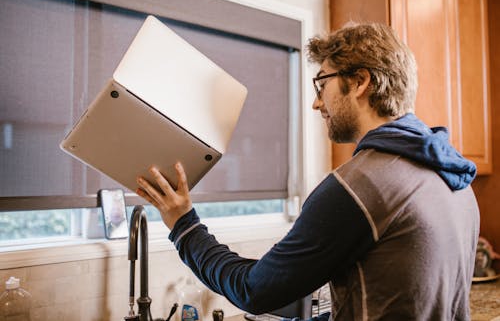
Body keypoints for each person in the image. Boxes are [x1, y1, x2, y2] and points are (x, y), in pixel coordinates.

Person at [136, 23, 480, 320]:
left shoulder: (360, 188)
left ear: (360, 81)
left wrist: (184, 224)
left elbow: (253, 290)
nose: (317, 102)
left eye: (322, 84)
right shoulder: (455, 176)